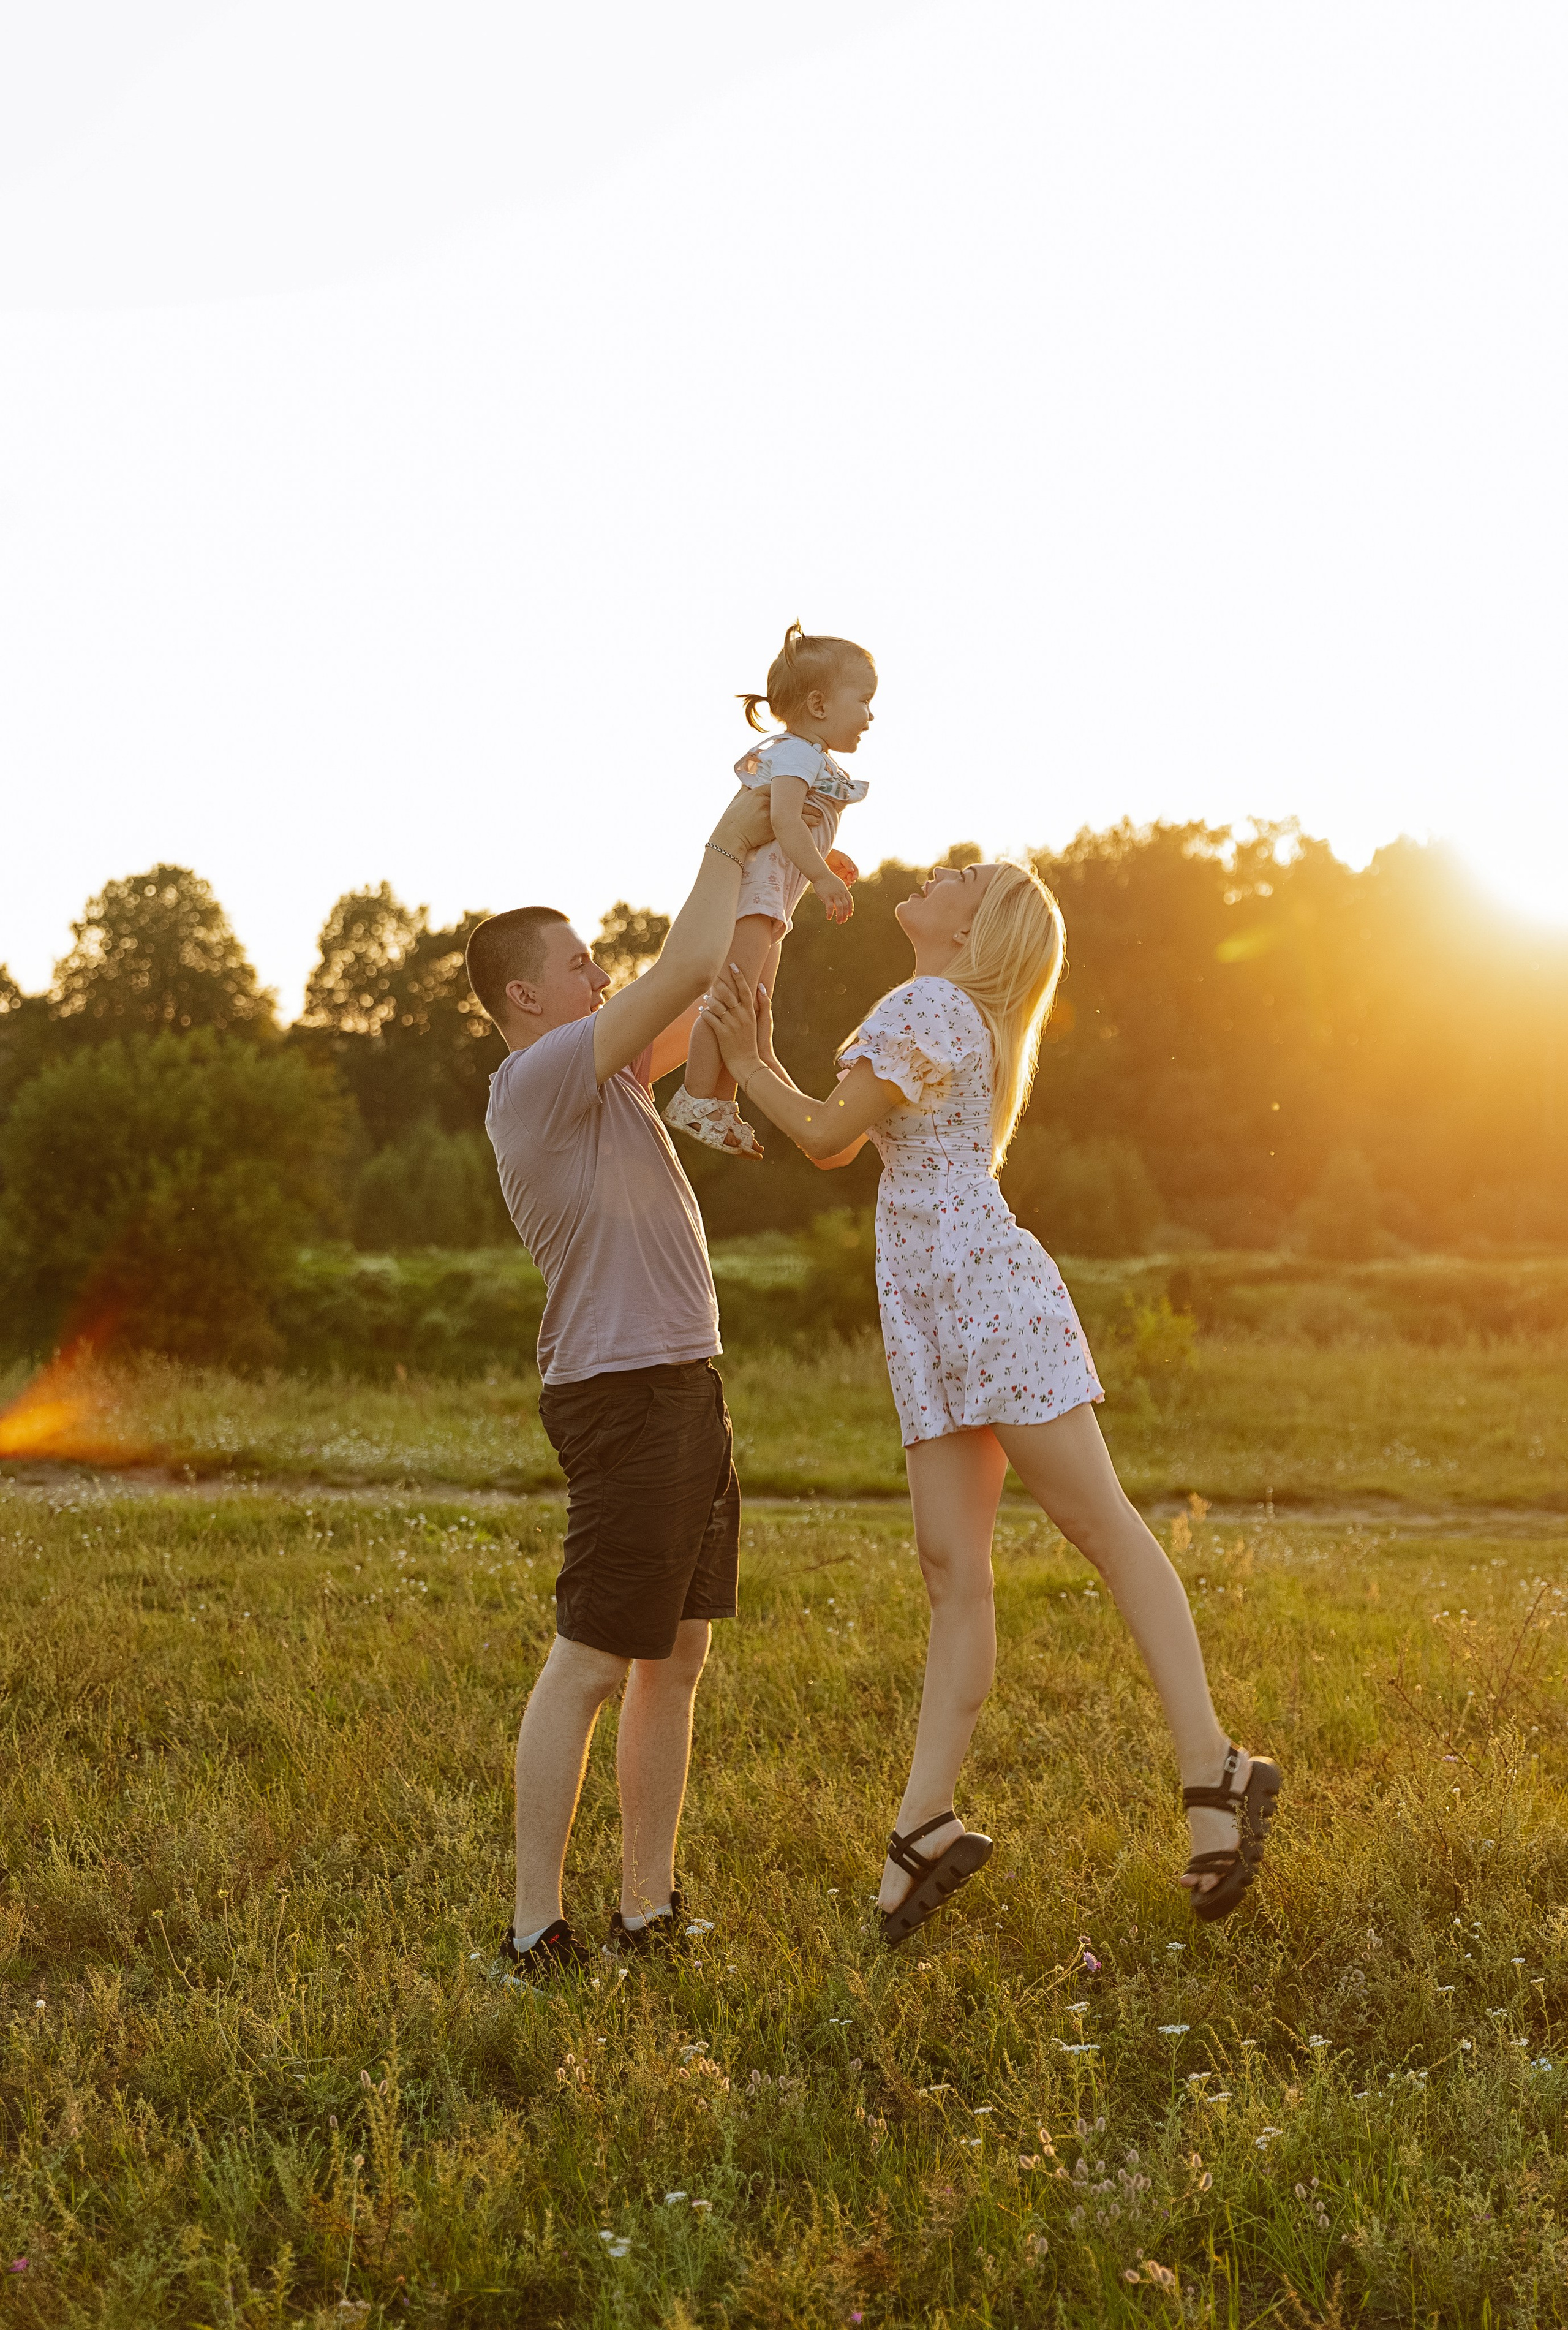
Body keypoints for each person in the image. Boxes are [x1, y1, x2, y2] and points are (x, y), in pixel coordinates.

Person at [698, 860, 1282, 1945]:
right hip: (936, 1313)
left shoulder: (931, 1005)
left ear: (983, 926)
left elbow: (827, 1137)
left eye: (961, 875)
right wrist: (756, 1058)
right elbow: (840, 1135)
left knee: (1099, 1526)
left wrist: (746, 1058)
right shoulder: (943, 1010)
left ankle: (1215, 1770)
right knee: (949, 1569)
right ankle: (926, 1821)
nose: (934, 872)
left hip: (985, 1301)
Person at [464, 783, 774, 1975]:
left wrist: (780, 883)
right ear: (523, 996)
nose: (603, 975)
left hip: (682, 1383)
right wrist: (737, 823)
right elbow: (686, 954)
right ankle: (534, 1924)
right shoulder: (538, 1079)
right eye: (583, 962)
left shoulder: (613, 1081)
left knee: (674, 1655)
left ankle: (643, 1908)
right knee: (592, 1652)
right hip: (626, 1391)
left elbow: (715, 988)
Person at [663, 621, 874, 1160]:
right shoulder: (797, 753)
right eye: (864, 700)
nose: (870, 716)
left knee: (753, 1004)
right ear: (820, 704)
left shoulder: (809, 757)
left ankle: (721, 1100)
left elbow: (790, 830)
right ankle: (694, 1096)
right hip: (759, 895)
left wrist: (823, 856)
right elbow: (781, 818)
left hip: (774, 895)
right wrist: (822, 877)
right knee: (733, 995)